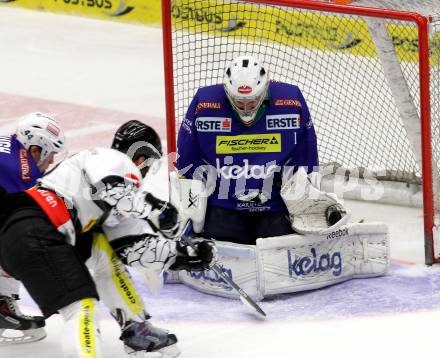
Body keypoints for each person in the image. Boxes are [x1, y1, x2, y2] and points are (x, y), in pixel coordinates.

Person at [171, 55, 385, 302]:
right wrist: (193, 214)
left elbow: (306, 156)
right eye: (239, 102)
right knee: (225, 239)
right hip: (224, 203)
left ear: (265, 92)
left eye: (252, 101)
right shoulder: (205, 104)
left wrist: (303, 198)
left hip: (274, 204)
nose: (246, 108)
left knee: (278, 242)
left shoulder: (290, 101)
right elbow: (188, 160)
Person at [0, 147, 216, 357]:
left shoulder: (112, 203)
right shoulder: (107, 158)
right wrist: (159, 209)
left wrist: (182, 254)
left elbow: (133, 250)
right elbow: (114, 190)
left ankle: (136, 329)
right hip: (28, 226)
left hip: (41, 233)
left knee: (103, 252)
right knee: (81, 307)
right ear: (140, 158)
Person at [0, 112, 66, 344]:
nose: (50, 163)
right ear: (36, 148)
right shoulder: (21, 169)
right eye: (50, 155)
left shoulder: (10, 147)